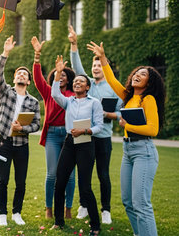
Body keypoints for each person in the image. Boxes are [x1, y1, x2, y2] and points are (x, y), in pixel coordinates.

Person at [88, 41, 165, 236]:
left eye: (143, 75)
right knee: (128, 202)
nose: (138, 75)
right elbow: (112, 80)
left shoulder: (148, 99)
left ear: (150, 82)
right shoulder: (128, 97)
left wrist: (126, 125)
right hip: (128, 151)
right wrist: (103, 57)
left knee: (141, 204)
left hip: (144, 152)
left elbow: (153, 129)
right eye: (137, 73)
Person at [68, 25, 122, 224]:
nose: (95, 68)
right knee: (84, 174)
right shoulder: (87, 83)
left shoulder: (114, 88)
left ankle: (105, 209)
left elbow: (121, 114)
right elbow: (76, 67)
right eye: (94, 65)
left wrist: (107, 113)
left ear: (105, 67)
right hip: (85, 136)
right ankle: (83, 205)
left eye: (99, 65)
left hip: (103, 137)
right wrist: (74, 44)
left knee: (104, 175)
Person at [51, 56, 103, 236]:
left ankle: (95, 226)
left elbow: (99, 126)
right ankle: (58, 221)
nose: (77, 83)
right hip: (69, 143)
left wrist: (85, 131)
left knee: (85, 186)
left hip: (86, 144)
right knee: (60, 182)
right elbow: (54, 94)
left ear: (87, 87)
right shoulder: (68, 101)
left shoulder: (94, 103)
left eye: (81, 81)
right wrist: (58, 73)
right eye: (76, 82)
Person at [0, 35, 41, 226]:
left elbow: (37, 124)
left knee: (20, 182)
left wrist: (24, 128)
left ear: (28, 81)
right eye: (18, 74)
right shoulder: (6, 92)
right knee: (2, 180)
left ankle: (17, 213)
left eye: (24, 75)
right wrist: (5, 53)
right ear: (14, 79)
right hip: (3, 142)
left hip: (22, 145)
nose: (21, 75)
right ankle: (2, 214)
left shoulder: (33, 102)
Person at [30, 36, 76, 219]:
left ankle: (68, 208)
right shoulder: (49, 91)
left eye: (64, 74)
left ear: (69, 78)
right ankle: (49, 208)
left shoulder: (73, 94)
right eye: (59, 74)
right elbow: (37, 78)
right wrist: (37, 55)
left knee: (71, 176)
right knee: (52, 174)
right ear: (55, 77)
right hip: (51, 136)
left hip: (68, 136)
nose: (62, 75)